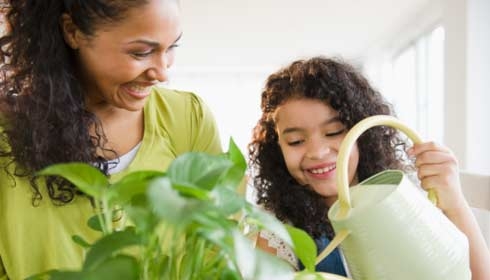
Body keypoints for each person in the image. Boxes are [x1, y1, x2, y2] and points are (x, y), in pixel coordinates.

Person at [0, 0, 221, 278]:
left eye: (172, 48)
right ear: (73, 32)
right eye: (141, 52)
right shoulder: (6, 135)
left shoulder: (188, 119)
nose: (163, 72)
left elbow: (218, 249)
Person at [248, 56, 490, 279]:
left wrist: (454, 201)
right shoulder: (275, 229)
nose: (317, 152)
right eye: (296, 141)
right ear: (277, 149)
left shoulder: (403, 198)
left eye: (333, 132)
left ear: (363, 132)